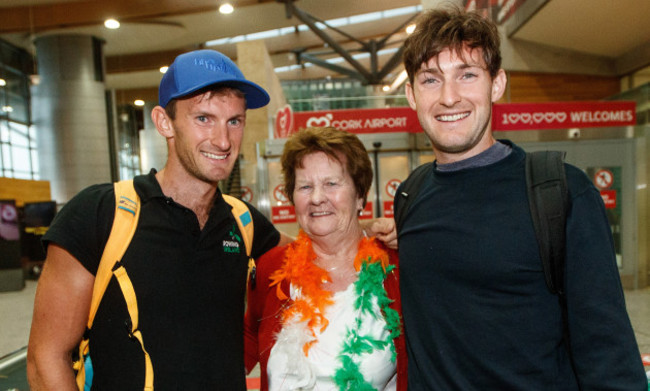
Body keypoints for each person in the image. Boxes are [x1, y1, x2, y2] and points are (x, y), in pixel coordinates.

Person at [26, 49, 395, 390]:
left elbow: (321, 242)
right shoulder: (100, 214)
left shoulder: (244, 223)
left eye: (234, 121)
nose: (222, 140)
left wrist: (375, 229)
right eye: (204, 118)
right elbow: (46, 359)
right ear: (164, 122)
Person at [397, 7, 647, 390]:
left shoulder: (560, 192)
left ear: (496, 84)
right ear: (411, 94)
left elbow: (609, 354)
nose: (449, 97)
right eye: (431, 80)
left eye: (467, 75)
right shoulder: (410, 195)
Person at [244, 127, 407, 390]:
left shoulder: (397, 268)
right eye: (305, 186)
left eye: (331, 184)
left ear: (360, 195)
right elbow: (249, 337)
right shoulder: (272, 268)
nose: (317, 198)